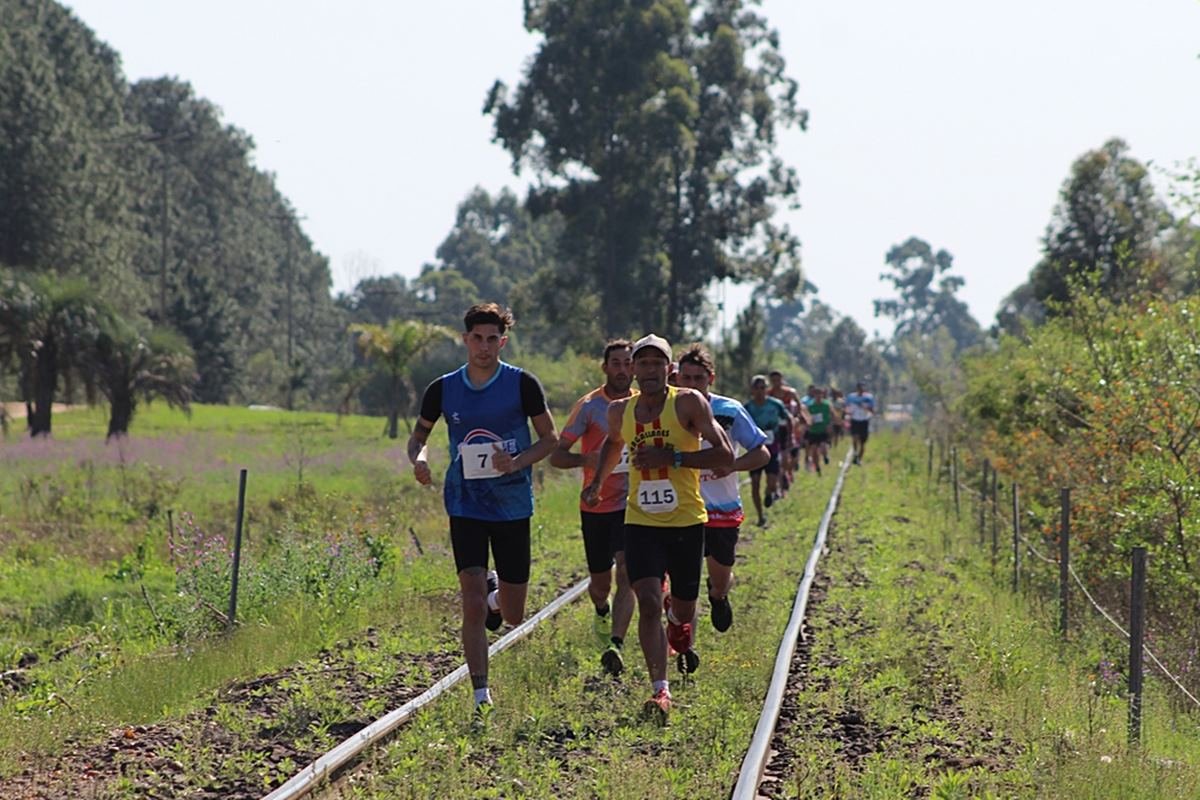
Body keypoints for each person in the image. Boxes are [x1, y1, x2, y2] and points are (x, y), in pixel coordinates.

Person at [406, 303, 558, 719]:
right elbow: (418, 436)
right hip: (465, 504)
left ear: (502, 342)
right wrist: (419, 459)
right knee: (469, 602)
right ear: (465, 339)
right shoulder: (443, 388)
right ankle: (480, 694)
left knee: (513, 613)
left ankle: (497, 598)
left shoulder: (522, 384)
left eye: (493, 339)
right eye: (478, 338)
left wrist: (518, 461)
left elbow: (550, 440)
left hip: (511, 507)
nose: (485, 347)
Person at [583, 334, 733, 725]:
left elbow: (724, 454)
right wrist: (597, 482)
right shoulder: (620, 411)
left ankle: (679, 627)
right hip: (641, 521)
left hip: (686, 520)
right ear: (632, 369)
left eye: (657, 364)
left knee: (682, 609)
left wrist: (676, 456)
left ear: (669, 370)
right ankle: (659, 690)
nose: (649, 371)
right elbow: (613, 445)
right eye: (642, 363)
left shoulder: (687, 402)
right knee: (647, 600)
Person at [550, 340, 636, 676]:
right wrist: (585, 459)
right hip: (597, 503)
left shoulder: (646, 405)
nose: (622, 369)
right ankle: (601, 608)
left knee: (627, 571)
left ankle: (617, 642)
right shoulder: (589, 407)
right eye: (616, 363)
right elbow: (557, 454)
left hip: (634, 503)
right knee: (601, 584)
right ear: (605, 367)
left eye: (628, 363)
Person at [675, 344, 769, 634]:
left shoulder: (728, 410)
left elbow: (761, 452)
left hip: (722, 508)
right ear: (677, 378)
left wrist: (733, 465)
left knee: (719, 578)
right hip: (680, 509)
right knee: (680, 584)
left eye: (698, 379)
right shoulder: (665, 408)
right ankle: (680, 635)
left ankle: (718, 595)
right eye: (686, 378)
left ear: (710, 379)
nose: (691, 385)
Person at [745, 374, 790, 525]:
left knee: (772, 482)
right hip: (754, 449)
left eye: (763, 388)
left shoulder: (775, 404)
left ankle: (769, 493)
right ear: (752, 390)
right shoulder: (747, 408)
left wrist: (789, 438)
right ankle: (760, 516)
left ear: (766, 389)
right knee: (755, 483)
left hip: (773, 448)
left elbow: (788, 418)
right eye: (756, 388)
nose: (759, 391)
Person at [767, 370, 803, 492]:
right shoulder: (769, 394)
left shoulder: (790, 393)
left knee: (786, 455)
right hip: (774, 429)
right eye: (773, 381)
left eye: (778, 380)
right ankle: (781, 478)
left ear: (782, 379)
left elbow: (799, 405)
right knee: (776, 456)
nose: (776, 383)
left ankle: (786, 473)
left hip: (788, 428)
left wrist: (796, 418)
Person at [804, 386, 833, 476]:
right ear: (814, 395)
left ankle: (825, 456)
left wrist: (830, 424)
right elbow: (806, 417)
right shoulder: (810, 406)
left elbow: (831, 414)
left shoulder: (826, 405)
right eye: (817, 394)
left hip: (823, 429)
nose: (818, 396)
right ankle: (817, 467)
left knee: (823, 446)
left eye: (820, 394)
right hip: (813, 431)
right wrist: (808, 423)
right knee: (814, 450)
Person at [846, 381, 876, 465]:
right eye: (859, 388)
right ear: (857, 388)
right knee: (854, 437)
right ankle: (855, 453)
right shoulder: (851, 397)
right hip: (855, 420)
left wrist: (865, 407)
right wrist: (848, 413)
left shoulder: (869, 397)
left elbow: (872, 410)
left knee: (863, 442)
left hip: (864, 420)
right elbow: (847, 407)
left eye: (862, 388)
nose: (861, 390)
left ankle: (859, 458)